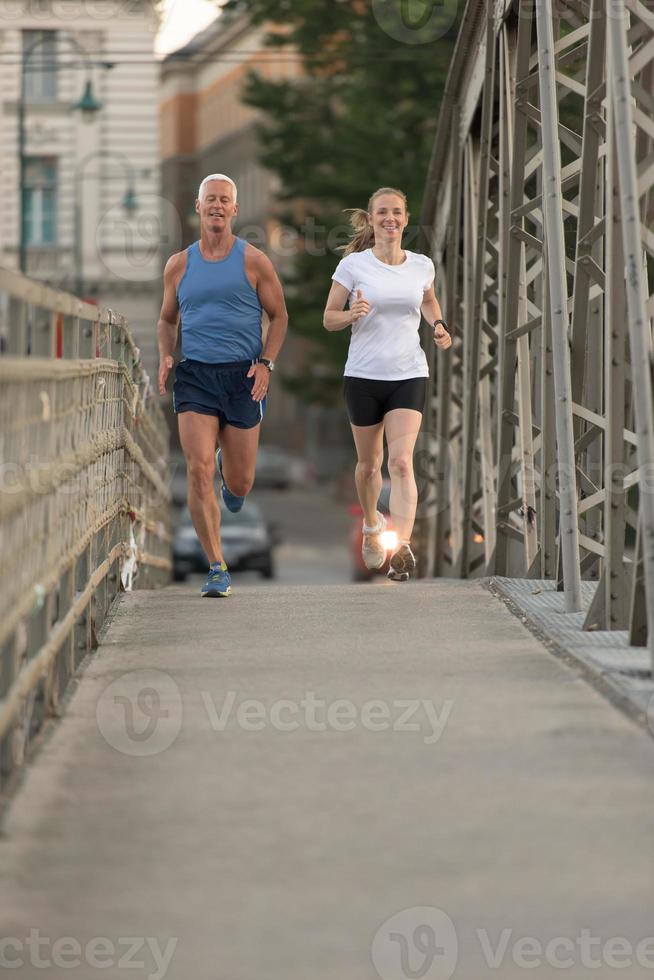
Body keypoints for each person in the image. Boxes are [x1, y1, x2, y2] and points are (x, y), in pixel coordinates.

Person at [158, 173, 288, 597]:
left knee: (240, 483)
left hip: (243, 377)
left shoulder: (254, 261)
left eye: (224, 200)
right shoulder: (179, 264)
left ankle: (231, 486)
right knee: (197, 470)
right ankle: (217, 567)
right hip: (195, 376)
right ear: (198, 207)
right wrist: (165, 354)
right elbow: (166, 319)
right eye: (209, 199)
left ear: (234, 210)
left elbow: (280, 316)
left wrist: (266, 363)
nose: (216, 205)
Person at [323, 186, 451, 582]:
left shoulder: (421, 265)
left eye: (397, 211)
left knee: (400, 462)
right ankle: (372, 527)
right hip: (363, 376)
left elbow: (427, 301)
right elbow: (329, 318)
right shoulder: (354, 266)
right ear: (372, 218)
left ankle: (403, 547)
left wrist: (439, 325)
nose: (390, 218)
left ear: (406, 219)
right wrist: (351, 314)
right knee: (368, 467)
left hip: (408, 373)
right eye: (382, 212)